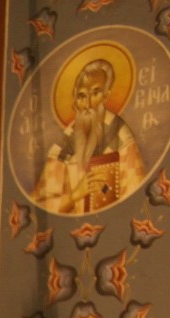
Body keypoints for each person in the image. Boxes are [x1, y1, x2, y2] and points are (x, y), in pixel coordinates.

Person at [36, 58, 147, 215]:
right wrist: (75, 195)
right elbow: (42, 205)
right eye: (82, 96)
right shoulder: (65, 142)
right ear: (75, 99)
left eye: (95, 93)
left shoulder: (119, 134)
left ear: (106, 95)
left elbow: (135, 194)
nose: (87, 104)